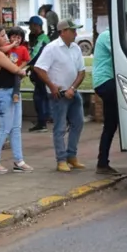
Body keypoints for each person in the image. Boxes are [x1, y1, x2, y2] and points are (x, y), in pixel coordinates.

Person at [33, 19, 87, 172]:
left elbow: (81, 72)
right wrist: (51, 85)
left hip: (72, 92)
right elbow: (39, 68)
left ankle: (72, 155)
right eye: (72, 30)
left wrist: (73, 88)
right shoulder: (52, 48)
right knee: (60, 127)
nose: (75, 33)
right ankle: (61, 159)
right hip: (58, 94)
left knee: (78, 123)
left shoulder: (76, 48)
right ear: (62, 32)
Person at [0, 25, 34, 174]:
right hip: (1, 95)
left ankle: (19, 161)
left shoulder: (5, 52)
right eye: (2, 36)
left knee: (15, 128)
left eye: (5, 35)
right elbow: (15, 69)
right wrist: (22, 71)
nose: (6, 38)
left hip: (12, 93)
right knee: (4, 128)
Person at [91, 23, 122, 176]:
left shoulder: (110, 35)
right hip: (105, 81)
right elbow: (120, 53)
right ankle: (102, 163)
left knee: (111, 124)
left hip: (107, 81)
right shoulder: (108, 36)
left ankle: (103, 162)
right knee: (111, 124)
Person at [26, 16, 51, 132]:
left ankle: (42, 122)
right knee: (43, 95)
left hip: (41, 72)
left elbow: (33, 56)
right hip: (39, 71)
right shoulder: (36, 38)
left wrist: (23, 63)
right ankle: (44, 119)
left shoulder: (42, 39)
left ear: (36, 26)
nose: (29, 28)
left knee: (39, 97)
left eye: (31, 25)